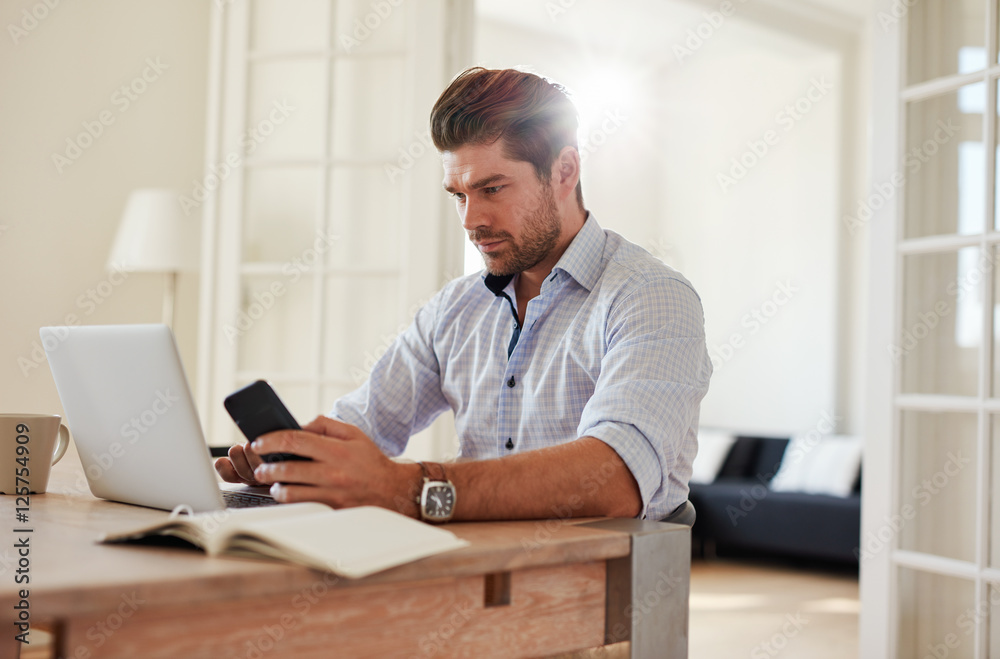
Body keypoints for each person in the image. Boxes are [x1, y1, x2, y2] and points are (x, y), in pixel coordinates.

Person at [216, 67, 712, 522]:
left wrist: (404, 487)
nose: (472, 220)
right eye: (458, 195)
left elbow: (614, 479)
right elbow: (367, 422)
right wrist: (300, 461)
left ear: (564, 171)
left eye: (492, 188)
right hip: (471, 575)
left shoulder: (650, 298)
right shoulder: (455, 310)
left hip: (598, 588)